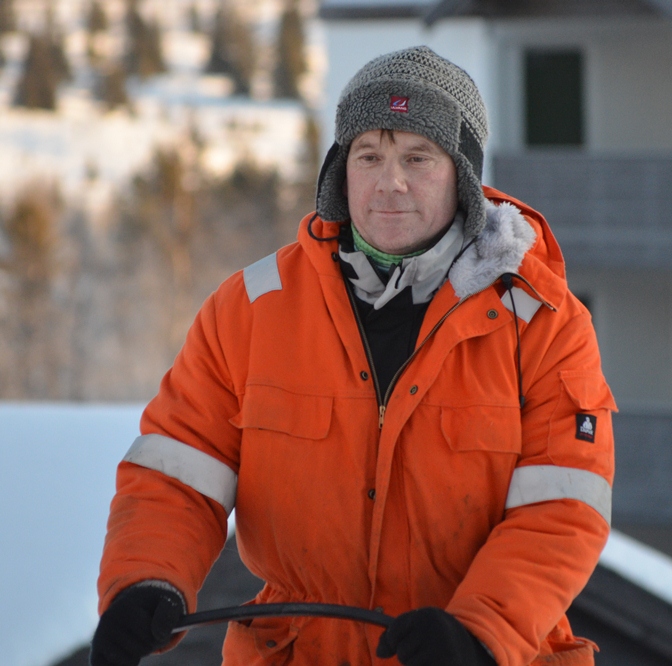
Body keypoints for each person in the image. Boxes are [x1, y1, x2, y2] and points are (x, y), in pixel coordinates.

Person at [90, 46, 616, 666]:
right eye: (369, 156)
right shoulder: (252, 308)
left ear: (464, 177)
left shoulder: (543, 322)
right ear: (340, 172)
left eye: (417, 157)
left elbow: (562, 510)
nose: (390, 182)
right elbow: (177, 472)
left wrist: (481, 633)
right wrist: (145, 578)